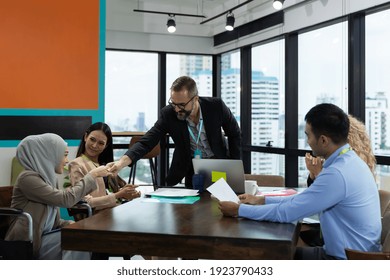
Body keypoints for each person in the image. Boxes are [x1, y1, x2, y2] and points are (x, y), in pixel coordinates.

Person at [218, 103, 382, 260]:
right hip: (356, 255)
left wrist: (238, 211)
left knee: (265, 257)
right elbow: (303, 199)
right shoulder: (349, 161)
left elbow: (287, 213)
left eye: (308, 136)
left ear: (323, 140)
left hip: (347, 261)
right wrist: (262, 200)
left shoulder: (337, 174)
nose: (307, 141)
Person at [107, 76, 241, 188]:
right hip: (192, 168)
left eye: (181, 105)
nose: (176, 109)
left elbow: (234, 133)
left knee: (220, 203)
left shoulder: (216, 106)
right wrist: (121, 163)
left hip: (218, 164)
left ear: (195, 99)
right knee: (193, 211)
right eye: (173, 103)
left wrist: (235, 166)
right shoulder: (168, 114)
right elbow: (147, 141)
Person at [5, 133, 111, 259]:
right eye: (64, 155)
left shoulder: (49, 179)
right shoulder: (27, 178)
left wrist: (68, 224)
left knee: (84, 235)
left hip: (44, 237)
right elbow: (64, 200)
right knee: (78, 239)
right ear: (48, 155)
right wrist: (91, 175)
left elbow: (50, 221)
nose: (67, 161)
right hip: (28, 242)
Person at [301, 115, 377, 247]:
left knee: (290, 235)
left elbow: (326, 196)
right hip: (335, 229)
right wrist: (314, 174)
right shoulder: (340, 159)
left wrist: (318, 173)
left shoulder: (348, 166)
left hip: (344, 237)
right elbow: (318, 193)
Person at [68, 122, 140, 213]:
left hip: (114, 215)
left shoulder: (106, 165)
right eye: (92, 139)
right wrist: (119, 195)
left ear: (106, 146)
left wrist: (129, 193)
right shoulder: (76, 164)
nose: (94, 145)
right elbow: (86, 202)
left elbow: (118, 194)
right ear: (86, 137)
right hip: (96, 220)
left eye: (101, 143)